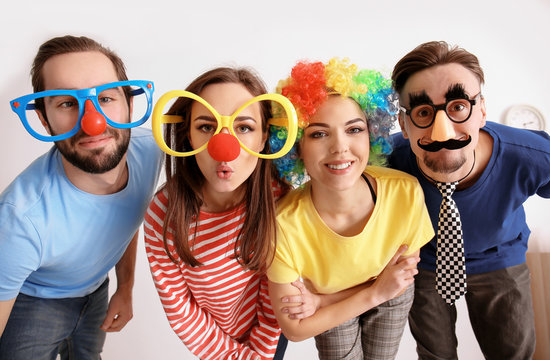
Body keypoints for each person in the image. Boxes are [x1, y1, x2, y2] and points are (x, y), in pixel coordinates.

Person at [0, 35, 163, 359]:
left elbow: (126, 217)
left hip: (96, 291)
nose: (93, 123)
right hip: (33, 303)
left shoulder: (151, 152)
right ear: (45, 120)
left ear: (129, 105)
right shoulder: (18, 220)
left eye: (105, 98)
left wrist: (125, 288)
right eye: (67, 103)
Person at [389, 40, 550, 359]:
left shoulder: (531, 155)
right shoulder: (383, 160)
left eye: (458, 106)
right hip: (426, 263)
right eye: (423, 112)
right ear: (403, 125)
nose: (442, 132)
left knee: (513, 351)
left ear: (482, 111)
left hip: (500, 257)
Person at [266, 58, 434, 359]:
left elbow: (401, 277)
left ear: (371, 133)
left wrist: (320, 302)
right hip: (331, 301)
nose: (340, 147)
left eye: (354, 130)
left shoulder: (404, 191)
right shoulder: (282, 224)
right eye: (318, 134)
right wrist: (370, 293)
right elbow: (295, 329)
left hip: (382, 296)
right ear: (296, 146)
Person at [144, 66, 298, 359]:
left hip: (268, 336)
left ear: (264, 137)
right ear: (188, 135)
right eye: (205, 126)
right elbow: (182, 311)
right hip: (212, 345)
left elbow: (273, 298)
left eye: (244, 128)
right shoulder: (163, 214)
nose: (223, 147)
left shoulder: (280, 200)